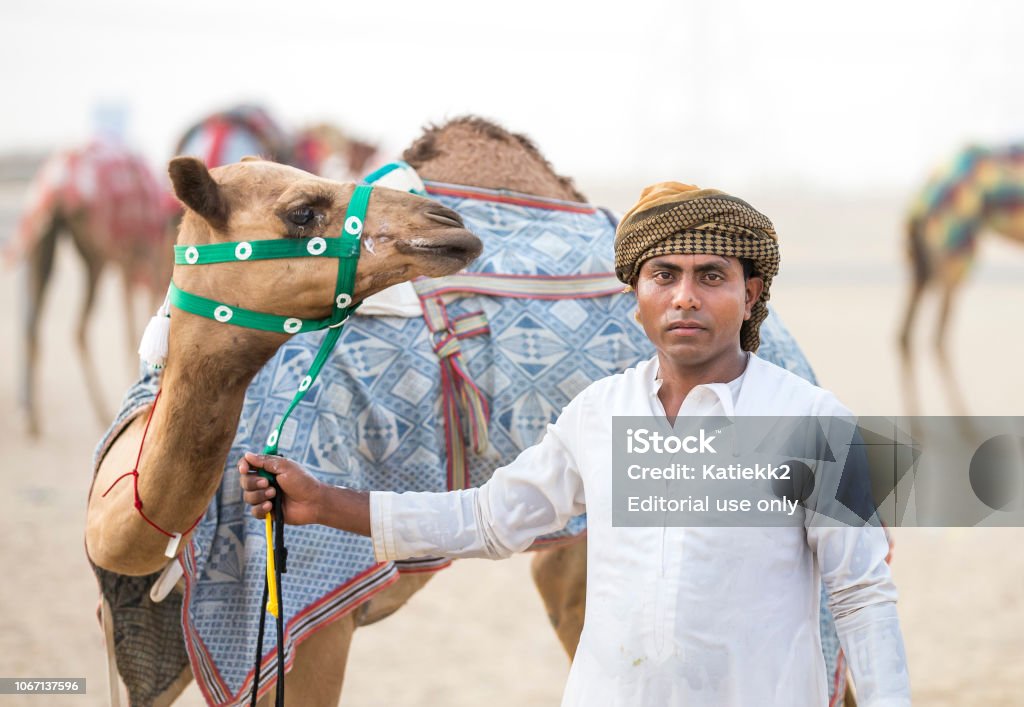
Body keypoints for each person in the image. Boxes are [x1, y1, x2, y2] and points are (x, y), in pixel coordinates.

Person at [240, 182, 911, 706]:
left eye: (712, 276)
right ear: (636, 295)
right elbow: (488, 518)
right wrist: (324, 502)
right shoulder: (600, 412)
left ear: (750, 293)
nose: (685, 297)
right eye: (664, 275)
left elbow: (860, 594)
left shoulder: (816, 422)